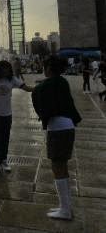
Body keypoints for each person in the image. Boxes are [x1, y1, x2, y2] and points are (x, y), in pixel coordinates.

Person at [31, 56, 82, 221]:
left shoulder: (47, 84)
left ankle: (65, 210)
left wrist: (39, 87)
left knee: (57, 166)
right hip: (68, 126)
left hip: (58, 129)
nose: (43, 70)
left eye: (45, 67)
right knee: (62, 166)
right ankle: (65, 206)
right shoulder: (62, 82)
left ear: (49, 69)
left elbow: (37, 97)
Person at [0, 60, 33, 176]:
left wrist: (41, 87)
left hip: (6, 113)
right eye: (3, 68)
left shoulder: (12, 79)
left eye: (8, 68)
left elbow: (26, 88)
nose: (6, 70)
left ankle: (3, 160)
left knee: (5, 137)